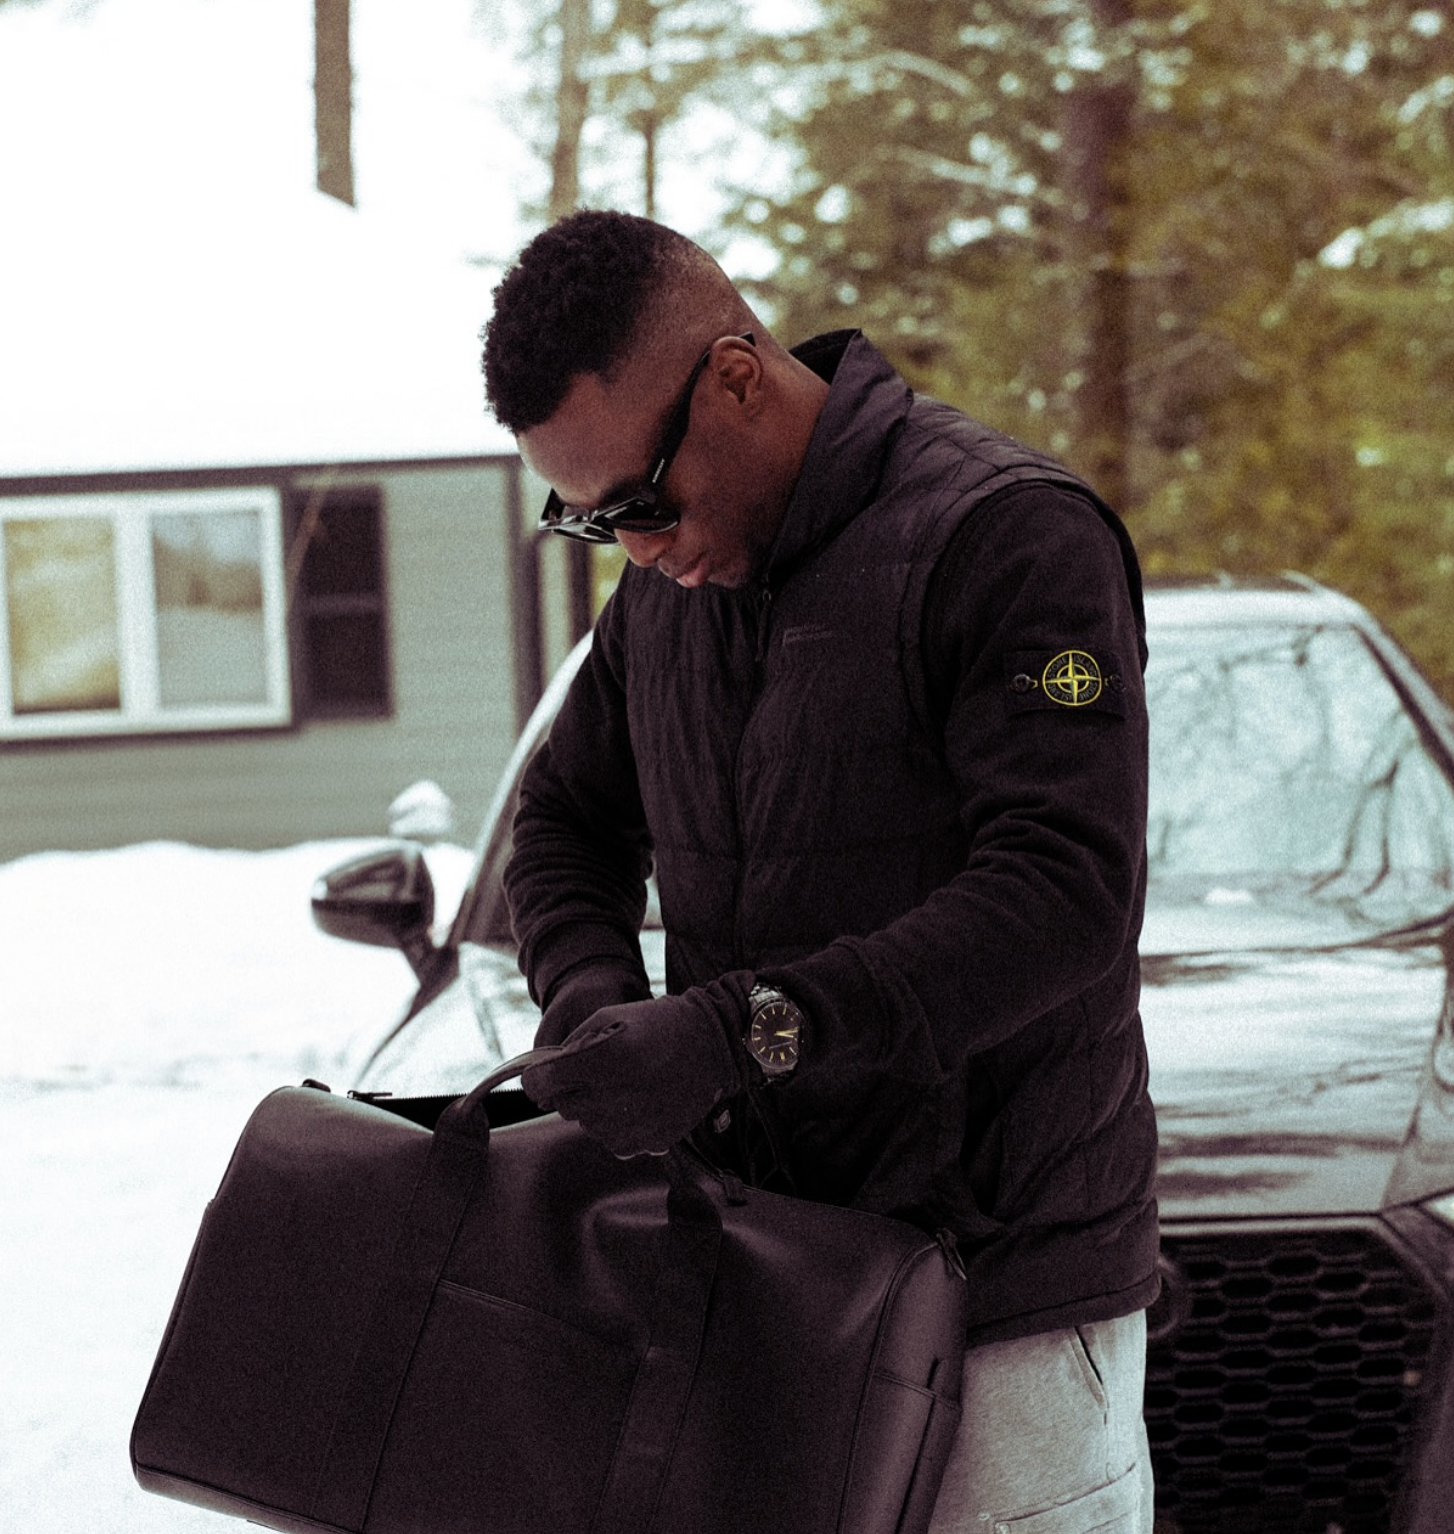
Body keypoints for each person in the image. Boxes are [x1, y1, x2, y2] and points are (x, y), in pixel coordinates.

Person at [482, 209, 1159, 1533]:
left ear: (736, 375)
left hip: (1002, 1297)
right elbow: (560, 821)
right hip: (766, 1280)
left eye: (641, 501)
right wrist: (592, 999)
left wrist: (739, 1034)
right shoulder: (665, 600)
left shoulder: (1010, 537)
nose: (636, 547)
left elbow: (1064, 893)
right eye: (587, 519)